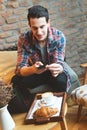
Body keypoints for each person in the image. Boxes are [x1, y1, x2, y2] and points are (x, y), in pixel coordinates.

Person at [8, 5, 71, 113]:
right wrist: (32, 69)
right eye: (35, 28)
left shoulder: (59, 36)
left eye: (42, 27)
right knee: (15, 81)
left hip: (53, 71)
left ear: (48, 23)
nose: (39, 32)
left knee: (62, 80)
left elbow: (60, 62)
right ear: (30, 25)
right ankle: (28, 109)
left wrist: (59, 68)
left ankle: (57, 108)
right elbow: (19, 69)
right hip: (37, 71)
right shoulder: (23, 39)